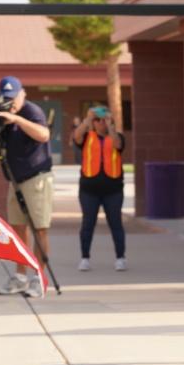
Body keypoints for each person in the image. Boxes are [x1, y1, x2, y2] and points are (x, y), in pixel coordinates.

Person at [0, 75, 52, 298]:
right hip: (15, 180)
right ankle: (20, 277)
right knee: (18, 229)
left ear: (22, 94)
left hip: (36, 177)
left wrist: (15, 119)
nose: (11, 102)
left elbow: (44, 135)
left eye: (14, 97)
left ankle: (39, 277)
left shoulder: (31, 111)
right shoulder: (2, 113)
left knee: (39, 228)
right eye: (6, 98)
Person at [73, 106, 127, 272]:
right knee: (88, 224)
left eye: (103, 119)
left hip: (113, 189)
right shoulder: (87, 136)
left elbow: (118, 144)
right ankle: (85, 258)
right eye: (97, 120)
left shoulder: (116, 136)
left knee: (115, 224)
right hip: (89, 189)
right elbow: (77, 137)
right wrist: (87, 121)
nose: (100, 123)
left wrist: (111, 125)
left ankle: (120, 258)